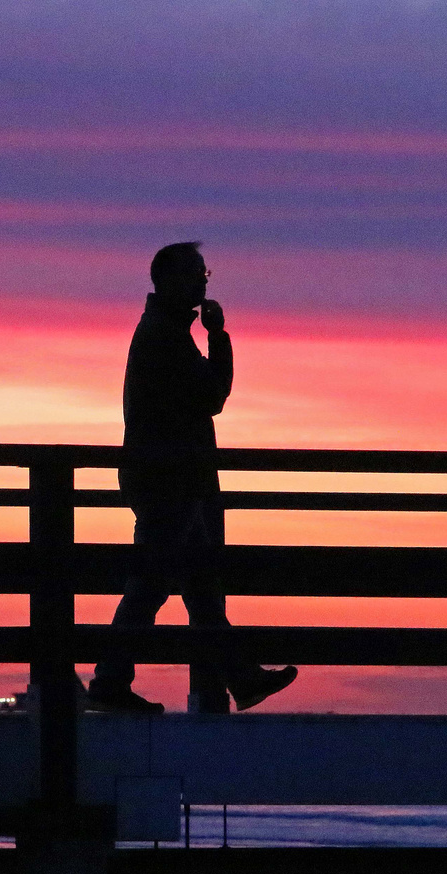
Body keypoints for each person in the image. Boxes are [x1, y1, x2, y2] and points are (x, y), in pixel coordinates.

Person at [84, 242, 298, 714]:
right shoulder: (165, 335)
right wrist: (218, 336)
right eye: (199, 274)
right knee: (152, 586)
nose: (205, 282)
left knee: (197, 589)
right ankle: (109, 682)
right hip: (171, 481)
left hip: (170, 479)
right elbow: (212, 395)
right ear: (174, 280)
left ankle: (239, 678)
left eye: (206, 274)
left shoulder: (163, 330)